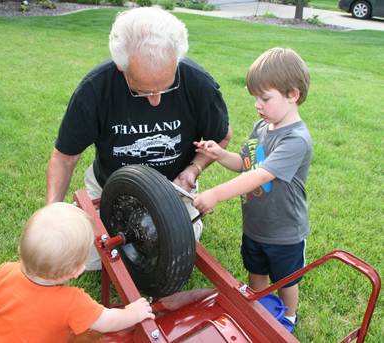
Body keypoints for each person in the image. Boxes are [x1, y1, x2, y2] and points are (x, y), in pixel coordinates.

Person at [46, 7, 231, 269]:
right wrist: (50, 214)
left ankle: (189, 220)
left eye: (166, 88)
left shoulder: (199, 84)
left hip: (171, 190)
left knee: (171, 255)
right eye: (142, 91)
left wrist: (194, 168)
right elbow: (65, 158)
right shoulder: (95, 89)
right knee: (78, 257)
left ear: (176, 61)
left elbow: (222, 137)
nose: (155, 101)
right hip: (111, 189)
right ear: (122, 69)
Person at [193, 47, 312, 333]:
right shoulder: (262, 127)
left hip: (284, 232)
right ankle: (256, 308)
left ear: (292, 95)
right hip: (256, 226)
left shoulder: (296, 140)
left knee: (286, 279)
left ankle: (289, 318)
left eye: (265, 98)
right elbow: (246, 164)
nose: (258, 105)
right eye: (255, 98)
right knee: (255, 270)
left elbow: (259, 176)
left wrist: (216, 194)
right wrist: (220, 155)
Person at [0, 202, 155, 342]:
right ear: (76, 271)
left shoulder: (5, 271)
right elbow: (107, 321)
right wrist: (133, 313)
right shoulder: (72, 301)